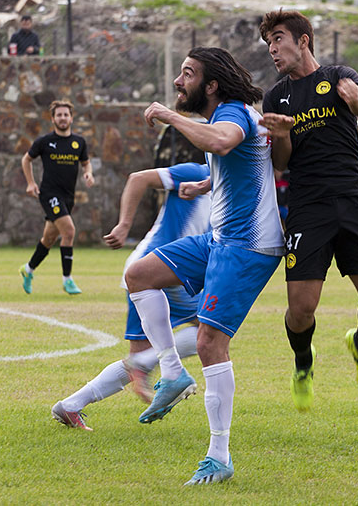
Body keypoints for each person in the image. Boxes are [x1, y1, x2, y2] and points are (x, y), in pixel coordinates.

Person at [125, 47, 283, 485]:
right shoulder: (227, 115)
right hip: (219, 238)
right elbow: (244, 159)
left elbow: (222, 140)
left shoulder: (231, 112)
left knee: (211, 342)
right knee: (138, 274)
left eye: (187, 74)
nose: (179, 81)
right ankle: (172, 374)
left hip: (249, 246)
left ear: (210, 86)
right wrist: (209, 182)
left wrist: (168, 115)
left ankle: (219, 456)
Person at [258, 10, 358, 411]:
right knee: (300, 310)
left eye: (278, 39)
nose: (272, 50)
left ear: (303, 41)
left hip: (352, 200)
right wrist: (281, 136)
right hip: (307, 207)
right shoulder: (275, 97)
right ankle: (303, 363)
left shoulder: (338, 75)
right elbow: (281, 163)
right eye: (268, 44)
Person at [51, 161, 212, 430]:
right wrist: (124, 225)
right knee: (213, 329)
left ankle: (70, 406)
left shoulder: (226, 184)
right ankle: (146, 365)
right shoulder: (198, 173)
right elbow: (138, 178)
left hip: (149, 271)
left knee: (139, 357)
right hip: (162, 268)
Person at [19, 100, 94, 295]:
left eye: (65, 115)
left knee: (49, 238)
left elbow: (86, 163)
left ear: (71, 118)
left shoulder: (79, 142)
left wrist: (88, 173)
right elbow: (26, 159)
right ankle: (67, 280)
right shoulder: (44, 142)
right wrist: (30, 182)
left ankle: (28, 270)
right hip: (49, 194)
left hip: (68, 197)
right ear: (53, 119)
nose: (62, 118)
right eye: (59, 115)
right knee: (69, 231)